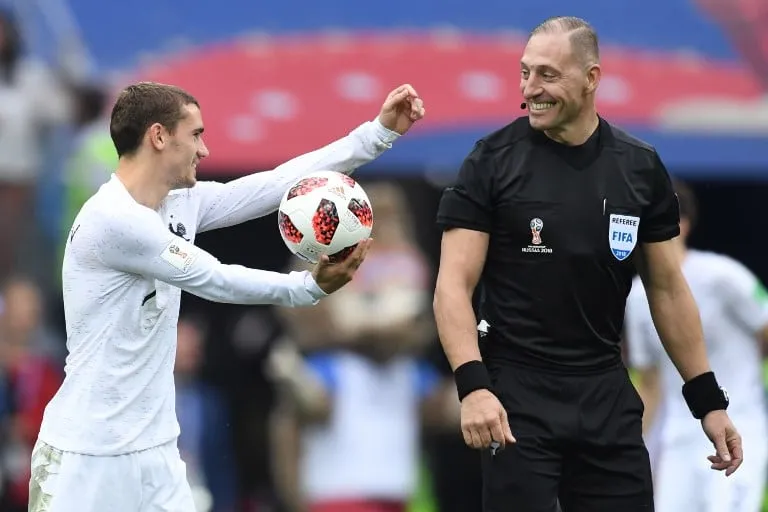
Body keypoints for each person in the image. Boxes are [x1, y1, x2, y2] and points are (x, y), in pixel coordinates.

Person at [27, 81, 425, 512]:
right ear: (159, 137)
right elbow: (211, 277)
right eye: (195, 134)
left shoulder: (178, 202)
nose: (205, 150)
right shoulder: (113, 220)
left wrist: (377, 134)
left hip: (156, 451)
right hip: (86, 456)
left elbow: (278, 184)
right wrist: (308, 288)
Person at [432, 15, 742, 512]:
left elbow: (667, 288)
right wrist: (473, 386)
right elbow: (453, 285)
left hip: (605, 390)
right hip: (515, 395)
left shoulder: (639, 167)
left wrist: (708, 402)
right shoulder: (490, 161)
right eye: (524, 73)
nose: (530, 89)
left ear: (592, 78)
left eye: (548, 75)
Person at [625, 179, 768, 512]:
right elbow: (650, 384)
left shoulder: (725, 276)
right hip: (676, 443)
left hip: (738, 430)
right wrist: (639, 448)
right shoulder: (634, 298)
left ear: (682, 225)